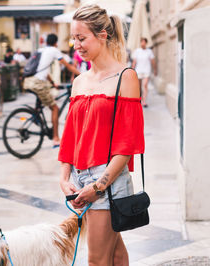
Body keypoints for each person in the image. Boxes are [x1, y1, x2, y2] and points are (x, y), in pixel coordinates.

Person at [58, 5, 144, 266]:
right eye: (74, 38)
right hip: (80, 176)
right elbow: (70, 136)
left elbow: (127, 145)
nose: (76, 45)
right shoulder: (79, 81)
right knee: (115, 255)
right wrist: (64, 178)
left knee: (97, 260)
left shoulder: (125, 77)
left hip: (107, 178)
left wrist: (98, 186)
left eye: (81, 38)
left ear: (103, 35)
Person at [23, 34, 80, 147]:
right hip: (38, 83)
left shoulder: (41, 50)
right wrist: (83, 75)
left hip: (28, 81)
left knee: (46, 101)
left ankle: (37, 116)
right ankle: (55, 138)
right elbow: (68, 66)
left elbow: (43, 71)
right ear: (55, 43)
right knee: (55, 108)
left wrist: (53, 83)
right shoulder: (54, 51)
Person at [132, 37, 156, 107]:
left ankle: (144, 101)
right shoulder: (137, 51)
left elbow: (153, 61)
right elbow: (134, 62)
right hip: (138, 71)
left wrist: (155, 69)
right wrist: (132, 71)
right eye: (141, 42)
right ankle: (140, 98)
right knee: (139, 87)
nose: (142, 43)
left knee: (145, 85)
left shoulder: (149, 51)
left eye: (143, 42)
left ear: (146, 43)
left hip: (146, 70)